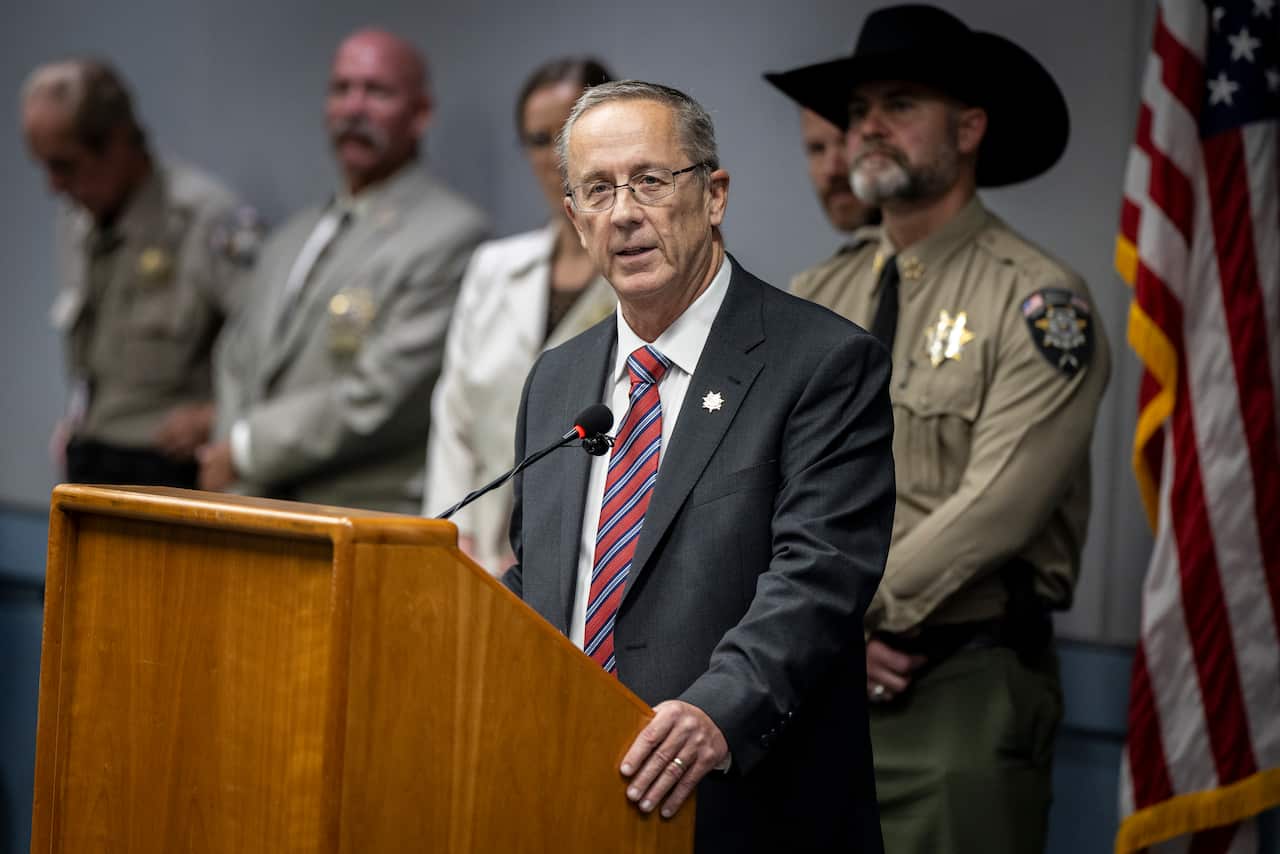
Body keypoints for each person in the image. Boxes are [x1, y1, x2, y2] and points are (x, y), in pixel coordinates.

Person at [502, 80, 894, 853]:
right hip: (565, 790)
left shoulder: (820, 363)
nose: (624, 212)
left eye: (650, 180)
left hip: (742, 800)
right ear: (575, 217)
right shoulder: (556, 380)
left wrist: (719, 708)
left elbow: (818, 577)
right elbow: (542, 580)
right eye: (598, 190)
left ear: (713, 196)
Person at [786, 6, 1111, 852]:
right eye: (858, 110)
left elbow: (997, 507)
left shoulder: (1040, 301)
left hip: (958, 684)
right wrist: (819, 636)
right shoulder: (818, 295)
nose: (869, 127)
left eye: (901, 104)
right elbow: (758, 483)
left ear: (969, 128)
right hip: (814, 681)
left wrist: (834, 614)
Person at [201, 28, 488, 513]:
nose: (354, 107)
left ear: (420, 114)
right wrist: (228, 444)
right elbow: (236, 355)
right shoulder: (292, 237)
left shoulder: (452, 234)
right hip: (249, 506)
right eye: (342, 89)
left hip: (357, 521)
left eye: (377, 91)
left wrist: (247, 447)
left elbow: (385, 394)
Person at [21, 59, 259, 488]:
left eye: (65, 165)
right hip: (92, 455)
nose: (54, 186)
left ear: (116, 143)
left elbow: (268, 344)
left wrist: (217, 417)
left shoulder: (204, 218)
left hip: (168, 468)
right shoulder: (77, 219)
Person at [424, 57, 617, 574]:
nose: (555, 157)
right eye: (538, 140)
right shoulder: (493, 269)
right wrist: (450, 534)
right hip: (475, 547)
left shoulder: (642, 274)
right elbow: (454, 413)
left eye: (569, 133)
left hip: (591, 556)